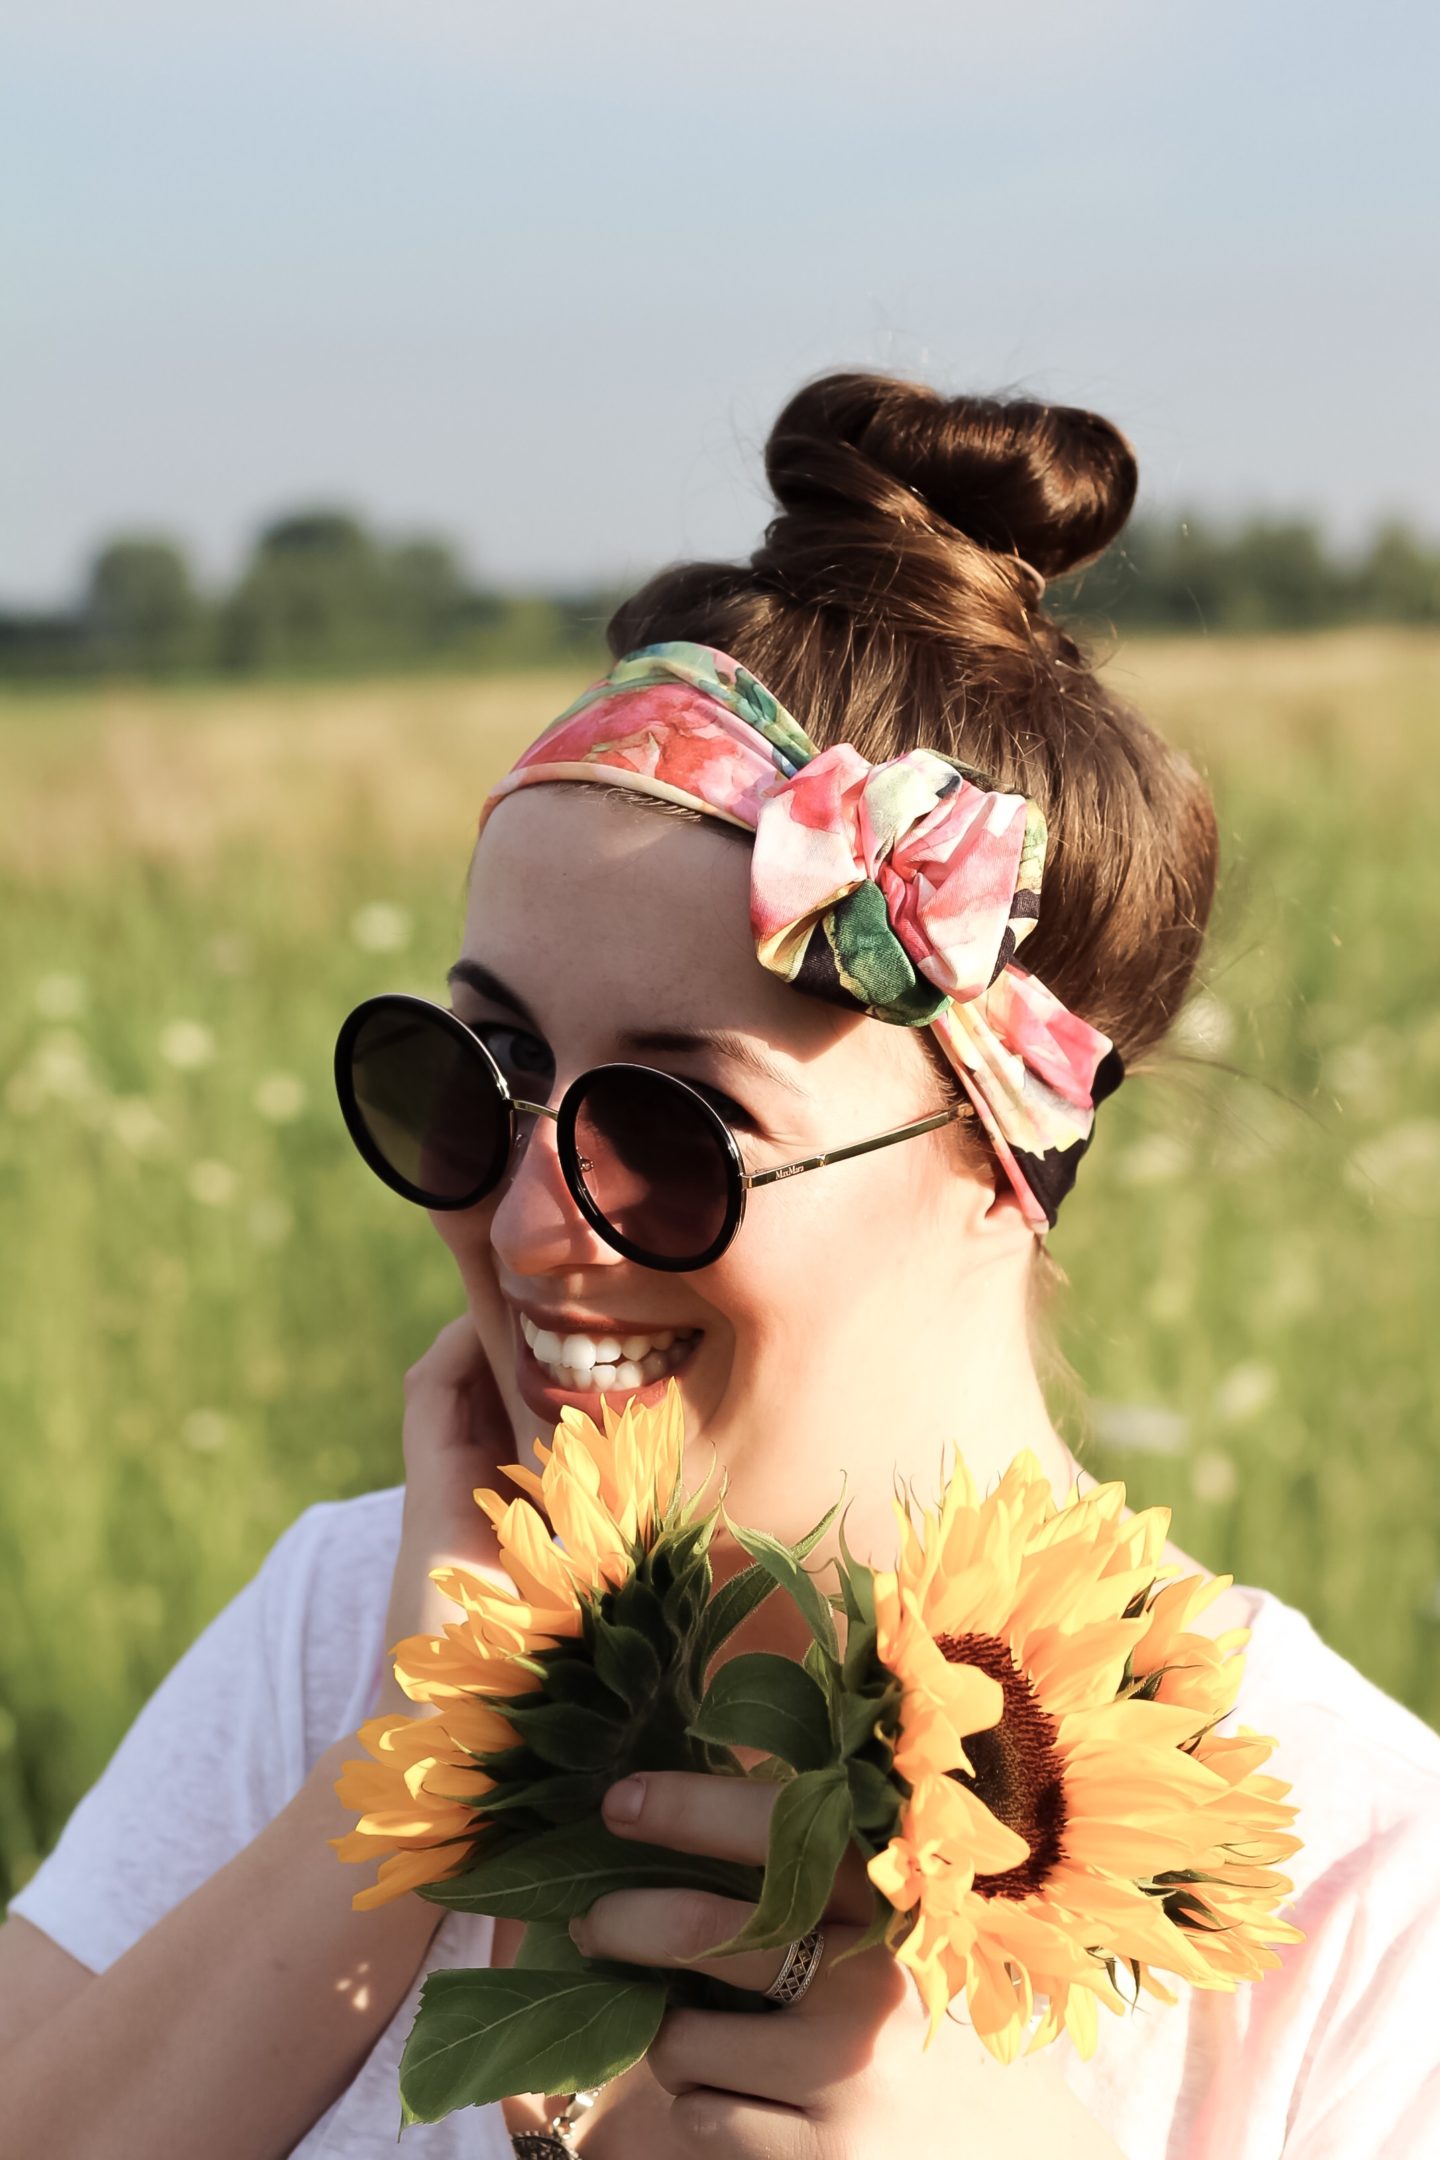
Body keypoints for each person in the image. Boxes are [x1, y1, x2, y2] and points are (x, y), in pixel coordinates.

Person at [1, 372, 1436, 2160]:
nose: (528, 1225)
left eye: (675, 1131)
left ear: (1002, 1163)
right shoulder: (344, 1632)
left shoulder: (1355, 1892)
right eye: (480, 1074)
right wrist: (407, 1786)